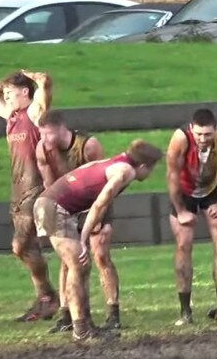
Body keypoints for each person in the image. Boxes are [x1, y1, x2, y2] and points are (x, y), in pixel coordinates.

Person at [33, 140, 163, 341]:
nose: (151, 174)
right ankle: (81, 330)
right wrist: (84, 239)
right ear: (144, 166)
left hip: (53, 205)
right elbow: (99, 205)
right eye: (152, 168)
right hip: (54, 208)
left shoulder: (115, 161)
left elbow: (85, 170)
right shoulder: (125, 172)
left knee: (81, 266)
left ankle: (85, 324)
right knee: (78, 264)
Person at [35, 110, 122, 333]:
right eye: (41, 135)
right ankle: (68, 315)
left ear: (62, 129)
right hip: (66, 205)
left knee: (100, 254)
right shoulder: (42, 149)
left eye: (48, 135)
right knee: (69, 261)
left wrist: (98, 217)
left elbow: (104, 181)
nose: (44, 140)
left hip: (95, 203)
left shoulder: (88, 145)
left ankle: (113, 313)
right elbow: (50, 185)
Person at [0, 70, 58, 321]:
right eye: (5, 94)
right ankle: (45, 300)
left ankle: (49, 297)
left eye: (11, 93)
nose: (6, 98)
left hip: (35, 187)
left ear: (25, 92)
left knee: (19, 246)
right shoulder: (12, 115)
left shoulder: (33, 114)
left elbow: (46, 87)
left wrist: (38, 77)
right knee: (28, 247)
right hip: (17, 189)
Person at [166, 108, 217, 325]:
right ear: (191, 129)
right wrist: (180, 210)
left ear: (215, 129)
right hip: (184, 192)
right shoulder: (180, 138)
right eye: (199, 134)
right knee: (184, 243)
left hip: (212, 189)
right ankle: (185, 312)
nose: (203, 139)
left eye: (207, 134)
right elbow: (171, 175)